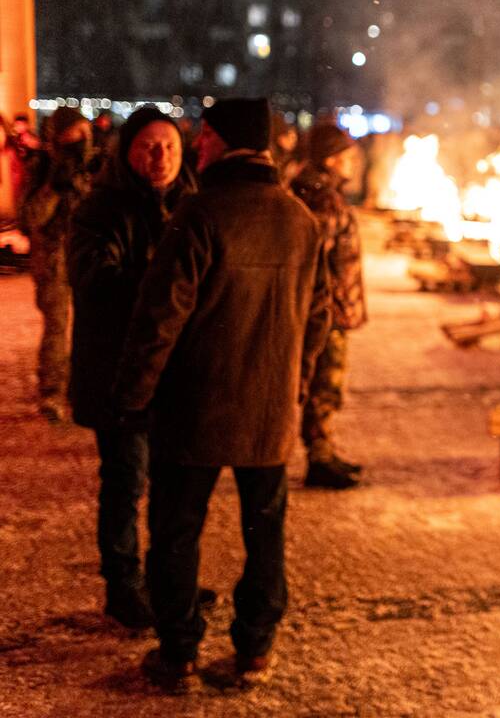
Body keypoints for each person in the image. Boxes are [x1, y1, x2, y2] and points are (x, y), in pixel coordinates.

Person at [112, 98, 330, 690]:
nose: (195, 146)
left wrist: (132, 395)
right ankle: (254, 648)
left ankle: (178, 650)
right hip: (268, 410)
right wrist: (296, 384)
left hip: (195, 407)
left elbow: (160, 318)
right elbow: (319, 316)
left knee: (177, 530)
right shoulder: (299, 219)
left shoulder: (199, 214)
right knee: (265, 532)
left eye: (201, 136)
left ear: (218, 139)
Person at [67, 108, 198, 629]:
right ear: (127, 152)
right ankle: (123, 586)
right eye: (148, 145)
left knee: (174, 481)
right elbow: (92, 278)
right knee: (126, 481)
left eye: (169, 145)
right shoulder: (101, 209)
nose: (159, 156)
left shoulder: (193, 205)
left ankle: (168, 581)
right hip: (117, 374)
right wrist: (164, 283)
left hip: (175, 374)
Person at [290, 124, 368, 489]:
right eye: (348, 156)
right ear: (332, 159)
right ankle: (319, 456)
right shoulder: (321, 199)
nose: (354, 163)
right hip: (327, 313)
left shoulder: (320, 193)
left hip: (330, 308)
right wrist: (329, 306)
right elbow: (315, 262)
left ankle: (324, 450)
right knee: (325, 383)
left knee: (325, 383)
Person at [18, 107, 99, 421]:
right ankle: (53, 392)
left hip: (89, 256)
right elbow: (30, 218)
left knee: (91, 327)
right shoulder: (41, 167)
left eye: (83, 132)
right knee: (57, 329)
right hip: (54, 260)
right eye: (73, 133)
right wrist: (53, 187)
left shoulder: (95, 166)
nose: (80, 139)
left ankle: (83, 389)